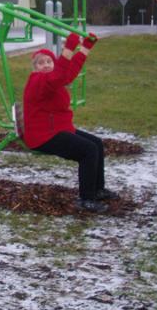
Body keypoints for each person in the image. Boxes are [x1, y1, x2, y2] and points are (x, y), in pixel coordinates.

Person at [21, 33, 119, 213]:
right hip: (43, 135)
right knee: (88, 151)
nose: (46, 65)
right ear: (35, 68)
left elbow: (69, 72)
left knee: (96, 143)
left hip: (57, 129)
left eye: (49, 62)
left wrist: (84, 48)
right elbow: (59, 74)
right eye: (41, 63)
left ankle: (97, 190)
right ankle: (86, 199)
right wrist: (68, 49)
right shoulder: (38, 80)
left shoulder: (52, 80)